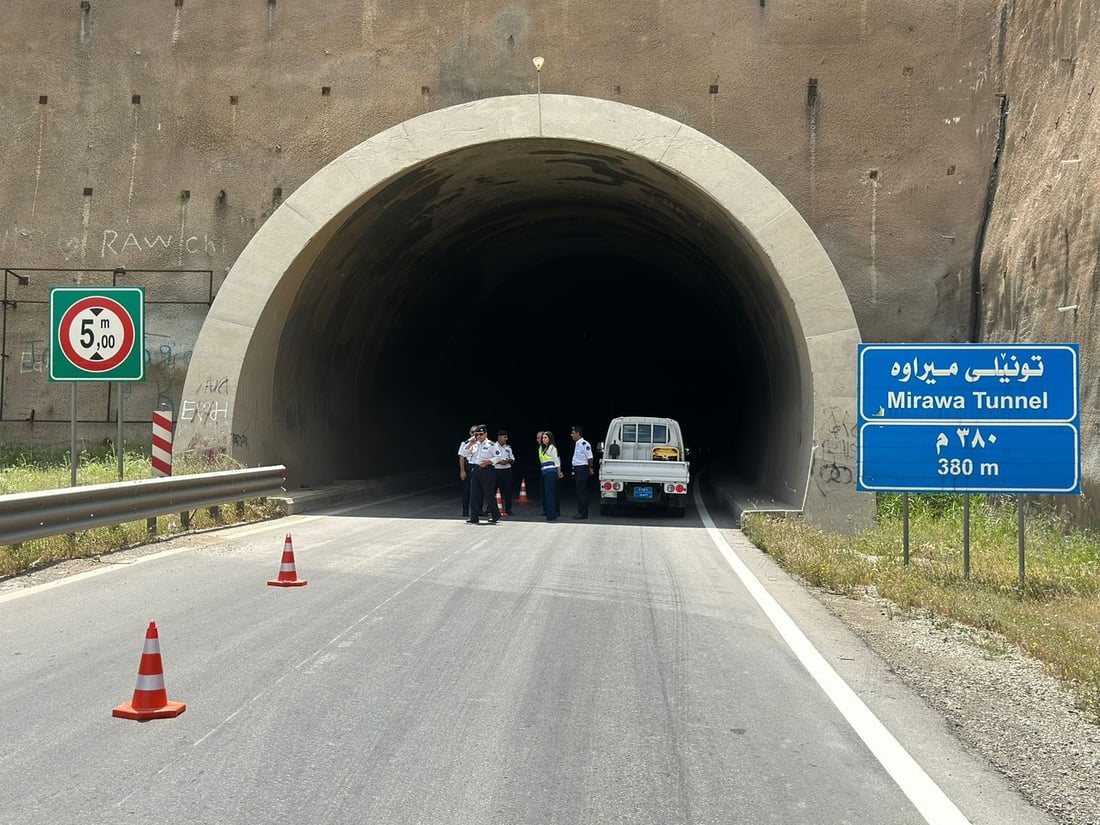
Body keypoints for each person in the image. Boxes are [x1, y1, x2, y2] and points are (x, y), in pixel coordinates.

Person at [465, 425, 502, 524]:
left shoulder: (491, 444)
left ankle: (495, 514)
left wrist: (488, 462)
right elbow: (465, 454)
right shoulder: (475, 444)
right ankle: (474, 516)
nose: (479, 436)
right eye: (477, 434)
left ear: (486, 434)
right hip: (476, 469)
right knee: (474, 494)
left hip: (487, 470)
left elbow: (499, 457)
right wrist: (470, 444)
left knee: (488, 493)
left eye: (481, 434)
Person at [570, 425, 594, 519]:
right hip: (577, 469)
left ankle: (583, 513)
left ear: (578, 434)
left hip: (582, 469)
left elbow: (590, 457)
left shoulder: (584, 444)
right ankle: (580, 511)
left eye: (573, 433)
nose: (571, 435)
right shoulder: (577, 444)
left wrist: (590, 468)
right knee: (579, 491)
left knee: (581, 491)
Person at [538, 431, 563, 521]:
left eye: (545, 438)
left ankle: (551, 515)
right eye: (543, 438)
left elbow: (557, 461)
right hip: (546, 473)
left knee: (550, 494)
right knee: (548, 494)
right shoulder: (544, 449)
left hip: (551, 473)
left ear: (550, 439)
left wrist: (559, 472)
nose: (543, 439)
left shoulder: (552, 448)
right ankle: (550, 514)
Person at [457, 424, 477, 518]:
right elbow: (461, 457)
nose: (473, 434)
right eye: (472, 432)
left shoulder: (481, 443)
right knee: (467, 491)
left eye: (475, 432)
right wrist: (462, 471)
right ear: (469, 433)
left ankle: (478, 510)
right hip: (468, 467)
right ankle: (465, 511)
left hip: (478, 467)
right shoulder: (465, 443)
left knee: (478, 491)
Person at [494, 430, 515, 515]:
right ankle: (491, 508)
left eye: (506, 437)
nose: (506, 439)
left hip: (506, 470)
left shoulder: (508, 447)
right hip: (496, 470)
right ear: (499, 437)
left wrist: (508, 461)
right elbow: (491, 458)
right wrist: (499, 462)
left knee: (508, 490)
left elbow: (513, 458)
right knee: (493, 490)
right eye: (504, 437)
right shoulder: (493, 446)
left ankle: (508, 509)